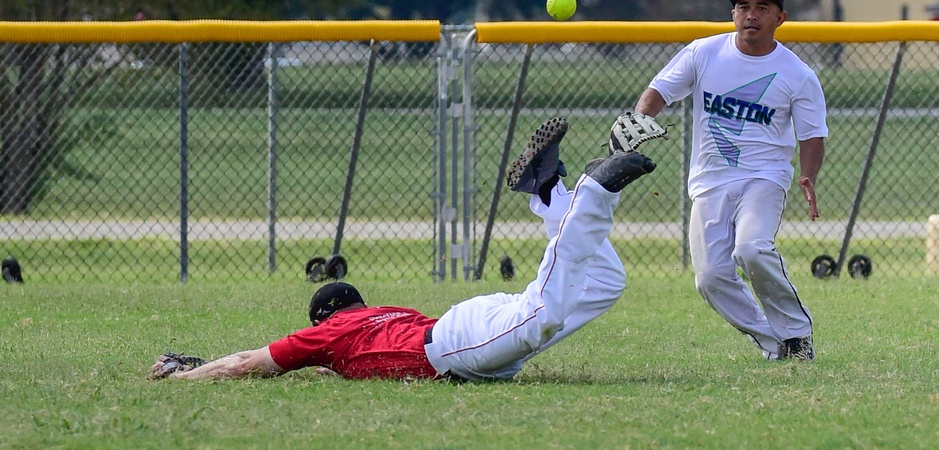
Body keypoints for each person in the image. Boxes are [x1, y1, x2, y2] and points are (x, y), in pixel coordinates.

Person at [150, 118, 657, 382]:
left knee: (543, 314)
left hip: (454, 346)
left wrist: (186, 377)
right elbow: (345, 366)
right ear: (357, 305)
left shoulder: (325, 336)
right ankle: (550, 194)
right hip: (463, 326)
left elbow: (247, 363)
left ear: (324, 321)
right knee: (603, 284)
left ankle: (593, 192)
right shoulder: (377, 319)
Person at [629, 0, 828, 361]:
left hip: (764, 177)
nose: (751, 15)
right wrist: (639, 119)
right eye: (743, 8)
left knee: (752, 249)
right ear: (732, 14)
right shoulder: (704, 53)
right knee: (710, 279)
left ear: (780, 17)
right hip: (710, 180)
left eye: (762, 8)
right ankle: (773, 342)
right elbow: (658, 92)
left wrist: (808, 175)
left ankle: (797, 335)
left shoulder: (797, 73)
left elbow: (813, 134)